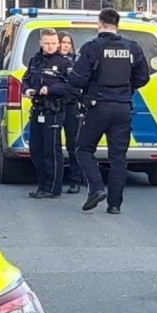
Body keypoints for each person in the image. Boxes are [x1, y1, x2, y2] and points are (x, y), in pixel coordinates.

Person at [66, 8, 150, 215]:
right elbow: (143, 77)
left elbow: (76, 79)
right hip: (122, 107)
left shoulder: (92, 47)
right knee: (118, 157)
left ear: (99, 24)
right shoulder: (132, 48)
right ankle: (115, 205)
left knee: (84, 149)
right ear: (117, 25)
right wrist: (126, 89)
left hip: (98, 106)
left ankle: (95, 188)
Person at [22, 28, 74, 199]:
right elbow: (26, 80)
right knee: (36, 150)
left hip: (54, 110)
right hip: (37, 109)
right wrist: (27, 90)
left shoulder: (64, 63)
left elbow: (71, 86)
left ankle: (52, 188)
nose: (50, 46)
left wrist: (50, 89)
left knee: (51, 150)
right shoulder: (34, 60)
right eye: (47, 43)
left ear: (58, 44)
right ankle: (42, 185)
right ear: (41, 43)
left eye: (53, 43)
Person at [57, 32, 83, 193]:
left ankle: (75, 180)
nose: (65, 45)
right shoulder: (51, 61)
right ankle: (55, 179)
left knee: (73, 144)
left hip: (71, 105)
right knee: (54, 145)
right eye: (63, 42)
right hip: (54, 105)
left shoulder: (76, 63)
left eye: (68, 42)